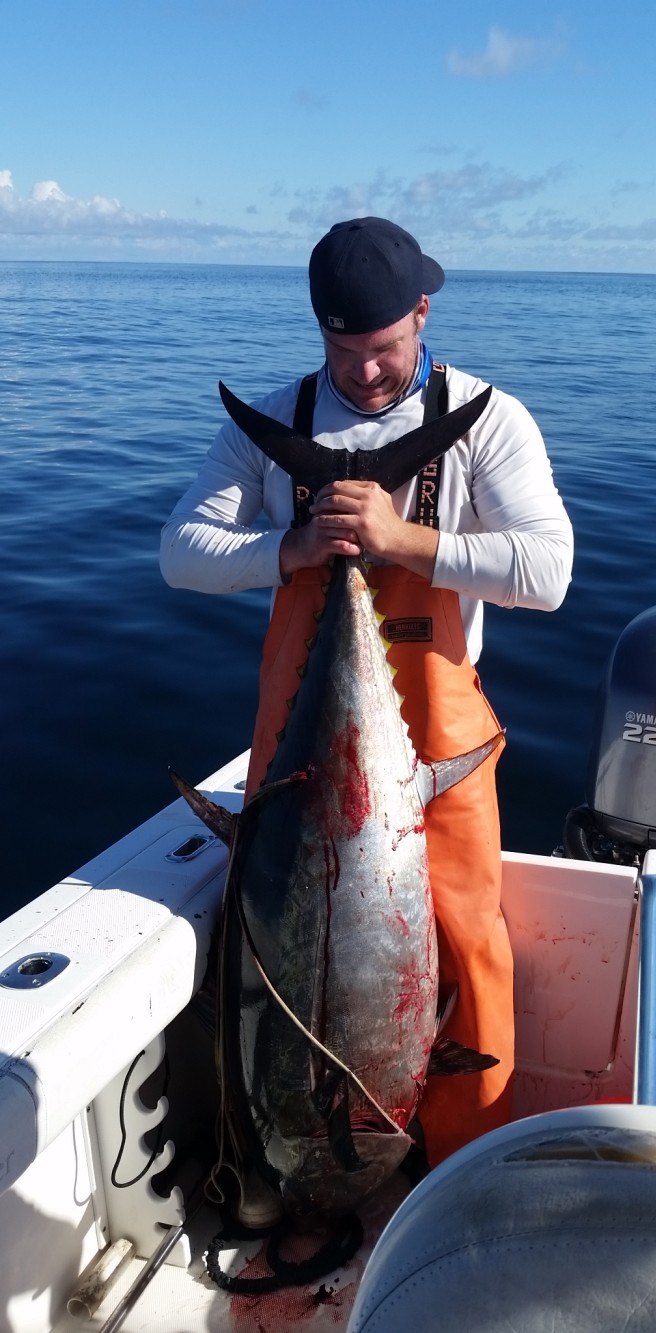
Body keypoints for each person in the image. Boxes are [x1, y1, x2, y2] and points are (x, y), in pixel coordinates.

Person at [160, 217, 573, 1191]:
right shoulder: (273, 421)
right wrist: (290, 550)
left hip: (435, 754)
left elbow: (545, 571)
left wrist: (403, 539)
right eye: (342, 351)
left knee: (467, 966)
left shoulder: (485, 418)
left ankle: (464, 1181)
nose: (367, 375)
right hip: (301, 759)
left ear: (423, 312)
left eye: (382, 350)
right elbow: (180, 551)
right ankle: (284, 1163)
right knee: (273, 962)